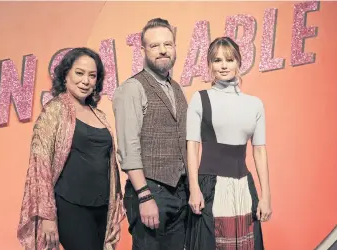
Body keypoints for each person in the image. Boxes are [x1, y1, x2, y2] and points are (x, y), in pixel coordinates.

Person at [17, 47, 125, 250]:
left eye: (92, 76)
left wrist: (114, 211)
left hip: (102, 207)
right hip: (71, 205)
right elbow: (40, 165)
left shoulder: (99, 114)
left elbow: (110, 165)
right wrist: (47, 216)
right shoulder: (55, 110)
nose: (86, 81)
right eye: (79, 73)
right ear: (65, 74)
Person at [185, 37, 272, 250]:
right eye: (217, 60)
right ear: (210, 64)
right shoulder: (200, 98)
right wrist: (194, 188)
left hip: (243, 188)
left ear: (239, 62)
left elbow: (259, 151)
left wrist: (266, 196)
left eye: (229, 59)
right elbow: (192, 147)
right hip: (210, 188)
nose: (224, 65)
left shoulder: (254, 104)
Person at [112, 18, 188, 250]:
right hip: (149, 191)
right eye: (155, 46)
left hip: (179, 191)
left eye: (168, 44)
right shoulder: (132, 88)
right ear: (143, 50)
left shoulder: (176, 88)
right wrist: (144, 196)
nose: (163, 50)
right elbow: (128, 146)